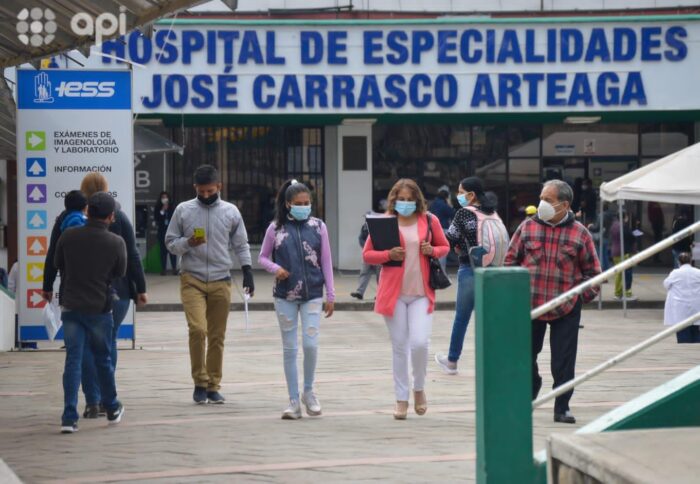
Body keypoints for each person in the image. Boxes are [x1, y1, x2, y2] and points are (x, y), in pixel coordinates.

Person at [43, 173, 147, 419]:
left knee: (83, 349)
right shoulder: (119, 216)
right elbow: (132, 255)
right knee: (107, 343)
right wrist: (141, 288)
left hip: (76, 292)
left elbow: (52, 256)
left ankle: (93, 401)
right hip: (116, 293)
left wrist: (47, 284)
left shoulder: (66, 221)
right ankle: (107, 399)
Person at [505, 179, 601, 424]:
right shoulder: (526, 228)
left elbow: (594, 273)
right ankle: (531, 386)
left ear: (564, 205)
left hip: (566, 308)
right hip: (530, 306)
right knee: (525, 356)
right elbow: (509, 263)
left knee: (563, 361)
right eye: (541, 198)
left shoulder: (580, 233)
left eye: (548, 200)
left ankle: (562, 406)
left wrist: (583, 296)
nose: (542, 204)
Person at [166, 164, 254, 404]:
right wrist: (187, 243)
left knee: (217, 335)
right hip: (191, 278)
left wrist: (247, 271)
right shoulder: (183, 210)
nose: (206, 195)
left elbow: (241, 243)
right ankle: (199, 382)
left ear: (219, 187)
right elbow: (170, 242)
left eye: (210, 191)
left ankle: (213, 384)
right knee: (198, 329)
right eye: (201, 191)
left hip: (221, 279)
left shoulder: (231, 211)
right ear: (195, 188)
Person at [363, 179, 449, 420]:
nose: (406, 203)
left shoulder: (430, 220)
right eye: (401, 199)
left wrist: (432, 250)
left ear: (418, 200)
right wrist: (387, 254)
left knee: (420, 343)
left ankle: (419, 389)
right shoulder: (384, 222)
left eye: (411, 199)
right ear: (394, 200)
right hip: (394, 294)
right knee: (400, 347)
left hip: (421, 293)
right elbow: (368, 254)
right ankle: (401, 399)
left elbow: (444, 246)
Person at [258, 180, 335, 419]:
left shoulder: (318, 227)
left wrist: (330, 294)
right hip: (285, 295)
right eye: (299, 204)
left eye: (307, 203)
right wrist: (275, 268)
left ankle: (308, 391)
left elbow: (326, 262)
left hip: (312, 293)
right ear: (288, 204)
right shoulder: (275, 228)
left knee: (310, 345)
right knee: (290, 348)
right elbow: (262, 257)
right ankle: (293, 400)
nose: (304, 207)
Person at [54, 192, 126, 433]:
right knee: (103, 358)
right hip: (99, 307)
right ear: (111, 216)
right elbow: (120, 272)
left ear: (88, 212)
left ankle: (68, 417)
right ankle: (112, 407)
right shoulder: (116, 242)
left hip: (71, 306)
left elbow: (58, 263)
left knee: (73, 360)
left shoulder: (68, 235)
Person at [435, 177, 508, 375]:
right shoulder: (492, 212)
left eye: (460, 192)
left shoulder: (463, 213)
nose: (458, 196)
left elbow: (449, 240)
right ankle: (497, 361)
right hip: (493, 271)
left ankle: (451, 362)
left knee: (462, 317)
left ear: (471, 195)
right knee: (491, 318)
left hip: (470, 269)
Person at [351, 200, 386, 301]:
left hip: (378, 254)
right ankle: (359, 293)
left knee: (380, 276)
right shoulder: (365, 226)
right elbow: (360, 238)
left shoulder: (381, 227)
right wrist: (365, 247)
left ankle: (380, 294)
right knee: (364, 272)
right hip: (368, 255)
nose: (366, 219)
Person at [663, 252, 700, 343]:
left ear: (678, 261)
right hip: (696, 306)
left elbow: (666, 284)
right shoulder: (698, 272)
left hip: (680, 307)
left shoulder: (675, 273)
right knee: (696, 331)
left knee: (683, 330)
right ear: (691, 261)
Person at [610, 211, 637, 301]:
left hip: (615, 251)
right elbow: (630, 237)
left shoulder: (614, 225)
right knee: (625, 274)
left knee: (619, 274)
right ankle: (625, 293)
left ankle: (618, 293)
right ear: (624, 217)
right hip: (623, 252)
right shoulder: (623, 226)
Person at [429, 185, 455, 273]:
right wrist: (450, 203)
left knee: (434, 253)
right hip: (443, 229)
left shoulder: (433, 203)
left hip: (431, 230)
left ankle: (435, 273)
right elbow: (453, 214)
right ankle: (441, 273)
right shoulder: (444, 205)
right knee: (442, 254)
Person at [154, 191, 178, 275]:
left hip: (171, 232)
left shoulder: (172, 207)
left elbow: (175, 218)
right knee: (163, 252)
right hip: (162, 232)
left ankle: (174, 269)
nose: (164, 199)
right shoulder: (158, 207)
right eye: (163, 197)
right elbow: (157, 218)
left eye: (166, 197)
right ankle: (163, 269)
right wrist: (163, 210)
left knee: (172, 251)